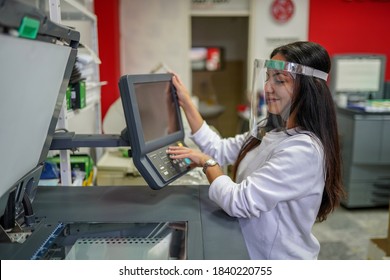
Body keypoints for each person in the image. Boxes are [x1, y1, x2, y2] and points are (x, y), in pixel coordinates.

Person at [167, 41, 344, 260]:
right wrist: (186, 103)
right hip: (250, 248)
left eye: (279, 80)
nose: (268, 87)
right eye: (268, 77)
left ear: (308, 88)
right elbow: (220, 149)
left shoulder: (304, 150)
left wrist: (207, 164)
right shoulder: (270, 129)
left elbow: (238, 201)